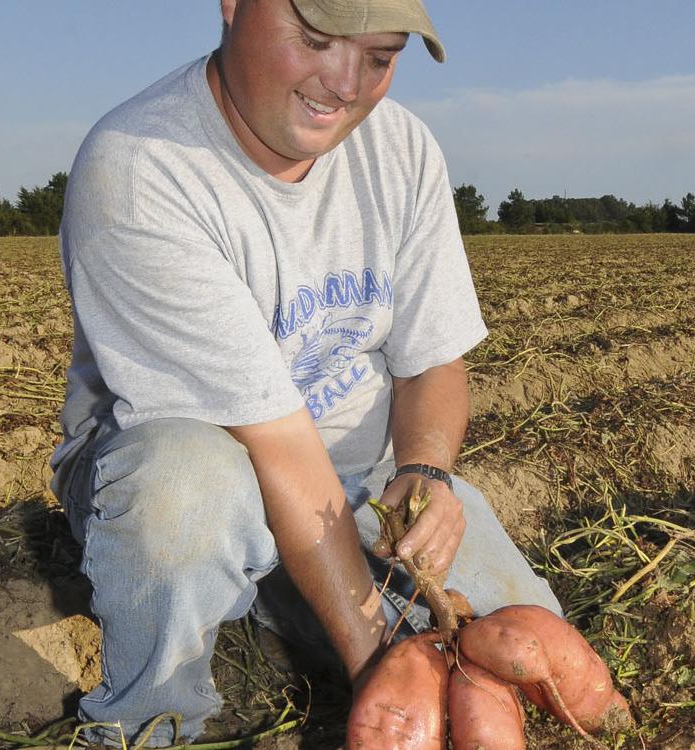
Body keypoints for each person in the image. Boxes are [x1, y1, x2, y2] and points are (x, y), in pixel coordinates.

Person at [50, 0, 563, 745]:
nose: (344, 85)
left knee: (532, 645)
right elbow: (278, 446)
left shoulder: (403, 150)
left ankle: (279, 597)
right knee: (184, 495)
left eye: (380, 58)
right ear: (232, 6)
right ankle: (149, 720)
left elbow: (432, 364)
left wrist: (426, 472)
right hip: (183, 461)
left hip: (357, 476)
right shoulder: (142, 166)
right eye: (317, 39)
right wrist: (380, 671)